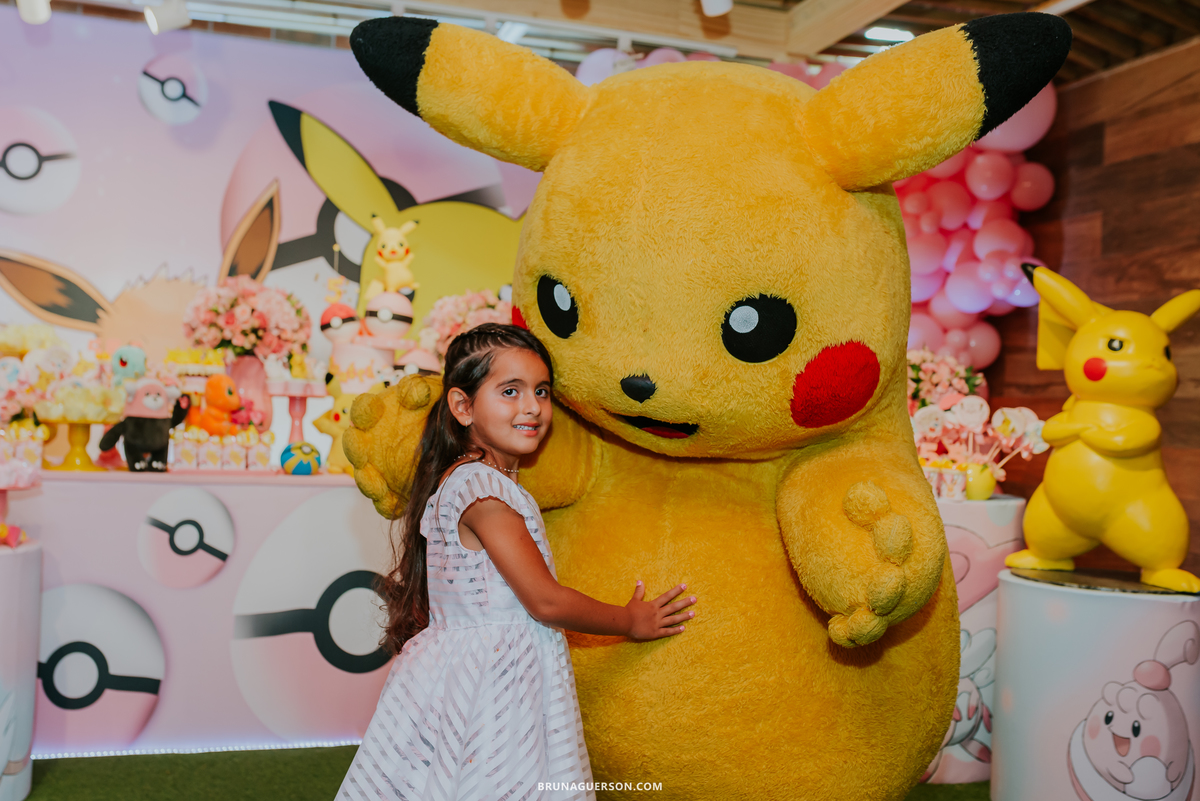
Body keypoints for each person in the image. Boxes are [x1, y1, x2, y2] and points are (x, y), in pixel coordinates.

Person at [338, 323, 697, 800]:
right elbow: (545, 602)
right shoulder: (482, 491)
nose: (532, 407)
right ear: (462, 406)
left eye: (541, 391)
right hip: (493, 683)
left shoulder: (479, 481)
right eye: (510, 391)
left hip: (485, 670)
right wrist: (629, 620)